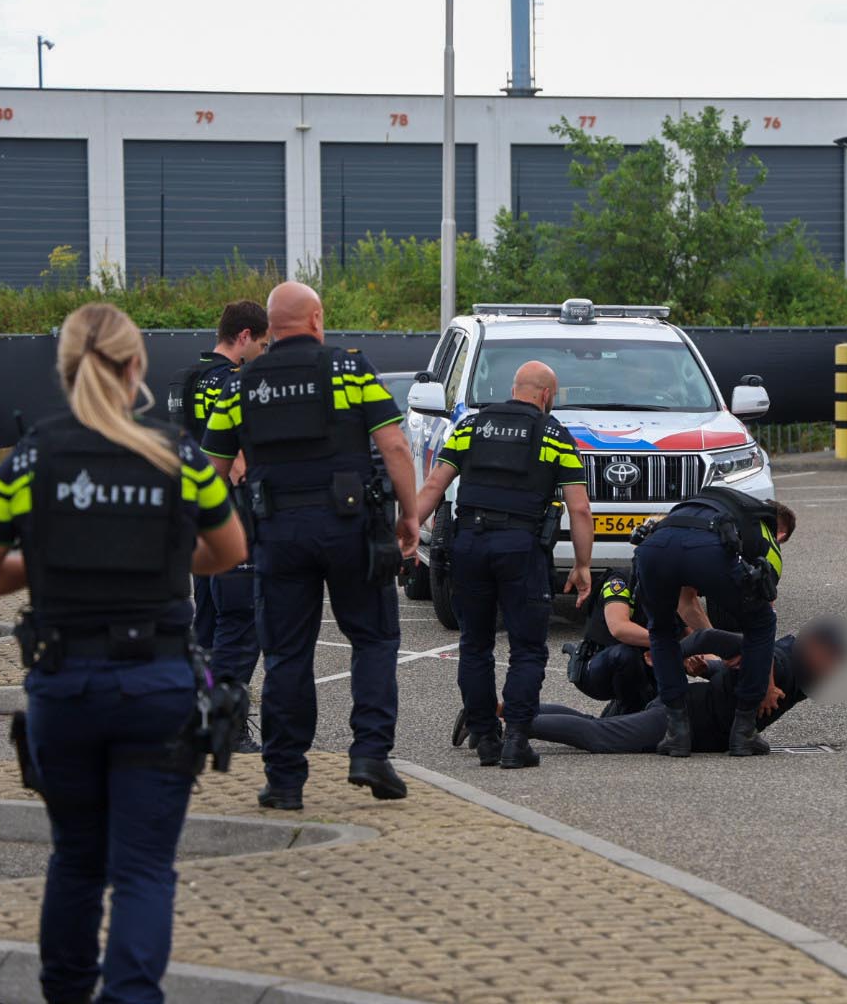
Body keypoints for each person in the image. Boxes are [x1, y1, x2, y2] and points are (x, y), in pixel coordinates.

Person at [0, 302, 248, 1004]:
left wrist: (48, 563)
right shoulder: (177, 453)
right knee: (143, 869)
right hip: (157, 688)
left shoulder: (31, 457)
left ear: (65, 370)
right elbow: (228, 552)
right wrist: (161, 558)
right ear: (136, 366)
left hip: (66, 686)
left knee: (77, 862)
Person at [202, 281, 420, 809]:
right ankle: (370, 753)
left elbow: (210, 471)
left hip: (275, 535)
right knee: (373, 638)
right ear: (317, 319)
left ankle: (285, 781)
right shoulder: (349, 371)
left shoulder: (239, 385)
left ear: (271, 328)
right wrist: (410, 516)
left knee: (285, 655)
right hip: (350, 531)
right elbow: (393, 444)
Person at [411, 361, 595, 769]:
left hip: (470, 544)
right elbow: (579, 508)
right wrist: (583, 565)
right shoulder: (554, 435)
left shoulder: (470, 427)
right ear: (546, 395)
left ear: (515, 388)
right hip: (521, 548)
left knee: (474, 644)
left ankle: (485, 737)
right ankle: (515, 740)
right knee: (527, 649)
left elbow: (433, 486)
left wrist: (407, 532)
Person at [528, 619, 847, 755]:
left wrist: (708, 667)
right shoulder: (779, 663)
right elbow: (712, 639)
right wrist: (672, 653)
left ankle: (515, 711)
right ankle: (505, 717)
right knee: (599, 738)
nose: (833, 669)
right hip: (679, 718)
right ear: (816, 648)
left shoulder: (799, 673)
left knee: (596, 726)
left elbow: (735, 677)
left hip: (697, 720)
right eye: (833, 659)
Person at [633, 491, 794, 757]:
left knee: (661, 631)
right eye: (782, 538)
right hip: (708, 551)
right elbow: (765, 609)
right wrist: (766, 682)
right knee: (762, 624)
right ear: (780, 530)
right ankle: (743, 733)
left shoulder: (708, 505)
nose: (779, 541)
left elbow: (685, 603)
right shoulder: (765, 530)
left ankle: (677, 733)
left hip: (654, 547)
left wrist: (711, 643)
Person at [176, 300, 269, 753]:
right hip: (228, 515)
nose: (263, 354)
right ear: (246, 336)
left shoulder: (186, 378)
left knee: (208, 624)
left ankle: (196, 715)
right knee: (239, 620)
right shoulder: (228, 382)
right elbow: (233, 463)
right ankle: (229, 724)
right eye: (263, 344)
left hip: (194, 513)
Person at [565, 566, 718, 716]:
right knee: (626, 655)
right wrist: (673, 647)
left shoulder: (672, 593)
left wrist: (721, 665)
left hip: (644, 673)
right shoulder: (621, 580)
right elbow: (619, 628)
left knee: (663, 714)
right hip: (599, 669)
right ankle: (622, 717)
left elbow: (695, 643)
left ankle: (618, 717)